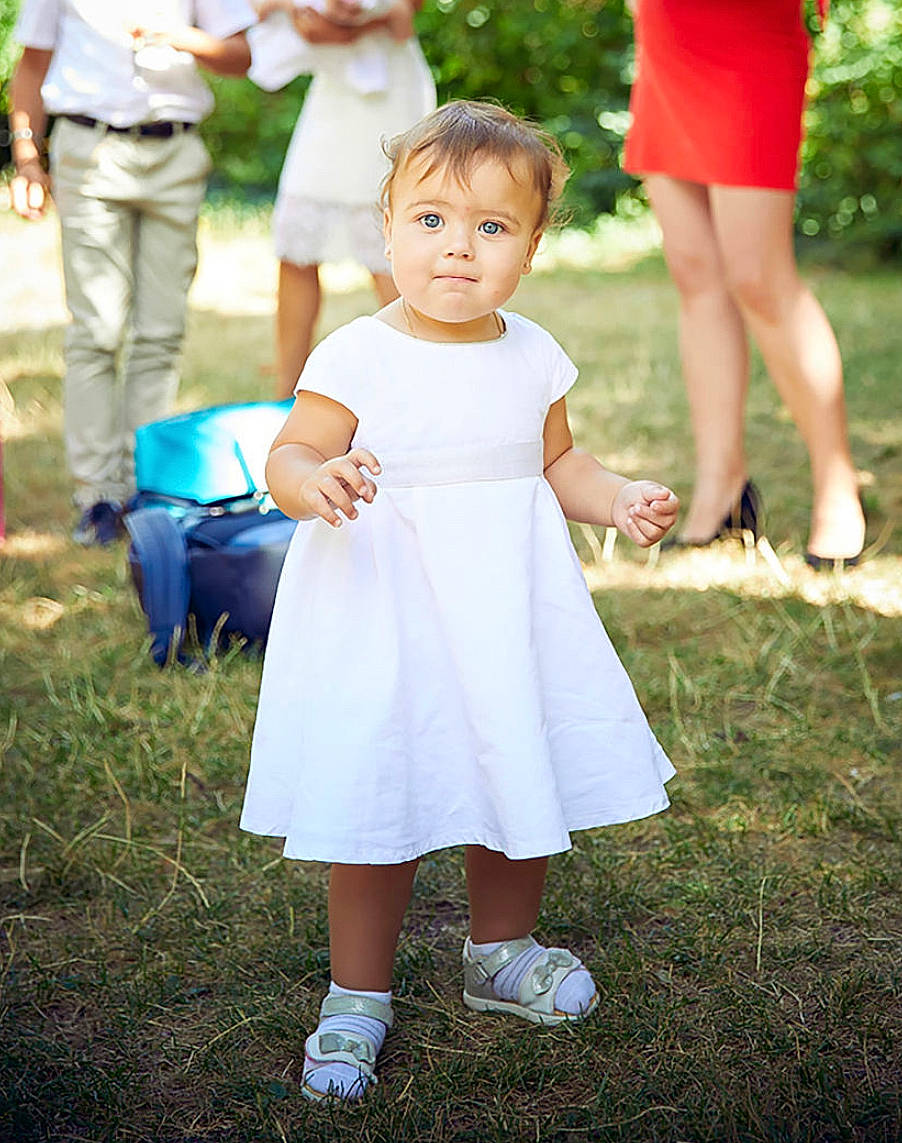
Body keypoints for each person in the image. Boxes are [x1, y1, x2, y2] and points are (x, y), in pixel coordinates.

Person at [240, 100, 679, 1102]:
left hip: (503, 611)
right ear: (386, 228)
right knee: (376, 793)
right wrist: (309, 482)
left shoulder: (530, 353)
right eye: (430, 220)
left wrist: (613, 499)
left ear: (529, 247)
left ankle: (500, 952)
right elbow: (290, 453)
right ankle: (356, 994)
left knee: (507, 767)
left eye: (490, 227)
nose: (455, 248)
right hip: (382, 613)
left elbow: (556, 460)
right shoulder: (358, 351)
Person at [623, 0, 866, 569]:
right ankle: (722, 484)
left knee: (759, 276)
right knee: (694, 271)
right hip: (666, 41)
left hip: (748, 38)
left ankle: (838, 483)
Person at [8, 1, 255, 546]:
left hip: (175, 150)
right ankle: (98, 494)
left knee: (162, 332)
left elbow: (242, 55)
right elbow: (31, 64)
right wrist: (28, 160)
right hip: (89, 148)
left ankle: (148, 487)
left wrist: (180, 36)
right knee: (95, 331)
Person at [249, 0, 435, 398]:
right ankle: (287, 390)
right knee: (298, 243)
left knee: (391, 239)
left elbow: (407, 10)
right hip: (334, 94)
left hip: (389, 92)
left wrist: (365, 18)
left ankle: (426, 378)